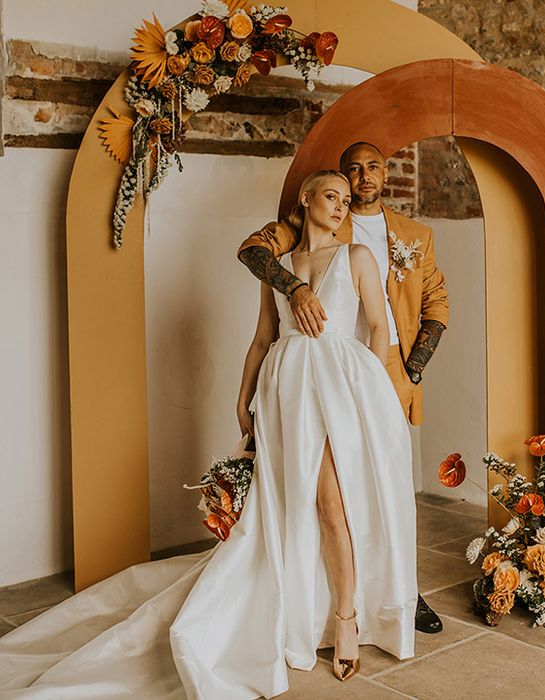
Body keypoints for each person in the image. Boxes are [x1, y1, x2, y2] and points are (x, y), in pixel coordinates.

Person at [0, 170, 417, 699]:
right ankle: (301, 612)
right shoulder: (280, 269)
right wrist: (241, 396)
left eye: (345, 200)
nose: (340, 207)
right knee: (290, 504)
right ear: (306, 200)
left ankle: (347, 617)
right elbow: (263, 338)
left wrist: (367, 395)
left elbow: (379, 328)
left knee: (332, 503)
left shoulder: (357, 258)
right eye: (330, 197)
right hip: (286, 394)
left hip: (342, 389)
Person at [238, 141, 449, 634]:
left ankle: (400, 594)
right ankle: (317, 603)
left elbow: (435, 302)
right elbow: (253, 254)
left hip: (378, 370)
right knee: (323, 491)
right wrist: (295, 287)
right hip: (309, 375)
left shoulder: (414, 234)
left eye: (371, 166)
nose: (360, 178)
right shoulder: (307, 228)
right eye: (351, 170)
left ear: (386, 172)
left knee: (384, 484)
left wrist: (411, 369)